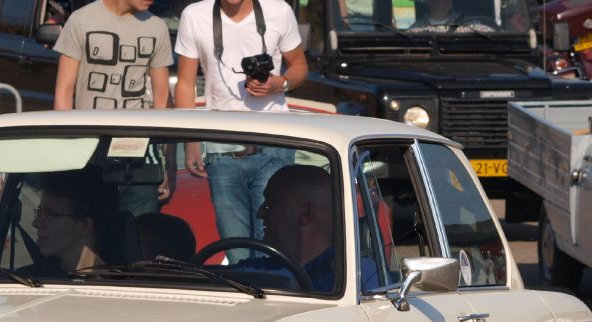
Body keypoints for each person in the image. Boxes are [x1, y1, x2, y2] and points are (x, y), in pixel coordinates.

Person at [173, 0, 308, 256]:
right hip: (222, 149)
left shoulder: (278, 10)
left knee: (272, 245)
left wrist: (280, 84)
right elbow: (185, 83)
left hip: (274, 146)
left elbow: (300, 66)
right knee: (236, 250)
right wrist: (190, 141)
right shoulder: (194, 15)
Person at [244, 164, 379, 293]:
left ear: (305, 214)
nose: (260, 214)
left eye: (270, 205)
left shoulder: (359, 277)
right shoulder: (253, 269)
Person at [54, 0, 174, 111]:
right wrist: (67, 134)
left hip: (135, 132)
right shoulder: (80, 20)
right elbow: (64, 93)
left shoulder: (157, 27)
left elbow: (162, 98)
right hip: (90, 131)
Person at [28, 170, 111, 275]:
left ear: (85, 226)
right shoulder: (31, 278)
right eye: (39, 212)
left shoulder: (116, 288)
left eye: (52, 214)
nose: (36, 223)